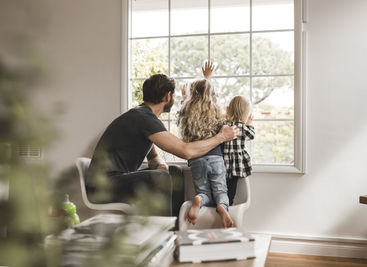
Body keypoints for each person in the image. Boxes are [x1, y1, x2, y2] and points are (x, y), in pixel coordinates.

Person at [86, 73, 238, 217]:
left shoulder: (142, 116)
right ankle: (163, 230)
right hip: (102, 186)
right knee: (161, 177)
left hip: (115, 181)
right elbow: (186, 151)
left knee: (175, 172)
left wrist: (161, 164)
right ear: (168, 96)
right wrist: (221, 137)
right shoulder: (145, 118)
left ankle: (175, 227)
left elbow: (153, 155)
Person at [178, 61, 233, 228]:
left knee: (204, 192)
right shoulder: (216, 111)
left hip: (195, 160)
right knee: (221, 192)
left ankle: (199, 199)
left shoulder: (187, 112)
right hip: (215, 158)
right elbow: (208, 93)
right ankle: (223, 208)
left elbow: (183, 112)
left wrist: (185, 99)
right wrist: (207, 79)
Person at [223, 96, 255, 205]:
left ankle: (220, 202)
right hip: (237, 163)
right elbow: (251, 135)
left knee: (221, 184)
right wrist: (249, 123)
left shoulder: (224, 125)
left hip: (223, 161)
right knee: (232, 184)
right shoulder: (242, 127)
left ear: (228, 109)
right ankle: (229, 202)